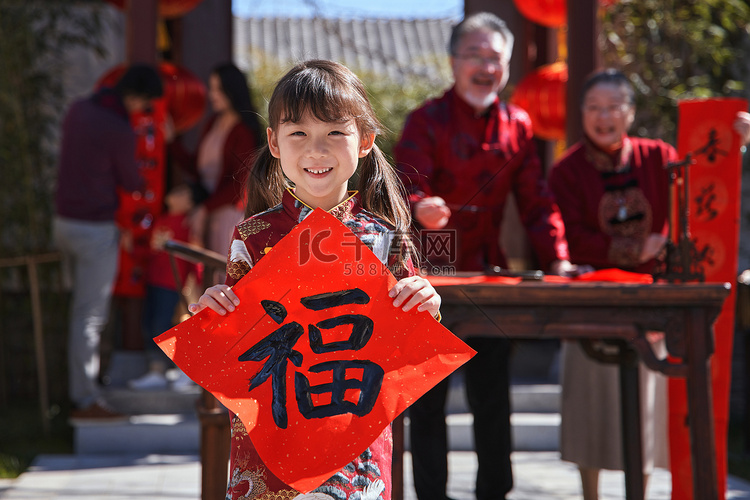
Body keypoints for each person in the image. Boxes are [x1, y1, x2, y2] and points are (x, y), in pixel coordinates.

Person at [188, 59, 442, 500]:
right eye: (299, 133)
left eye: (334, 133)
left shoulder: (385, 237)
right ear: (273, 142)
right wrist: (215, 311)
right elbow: (237, 347)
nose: (316, 151)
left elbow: (411, 349)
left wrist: (427, 303)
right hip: (274, 433)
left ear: (364, 141)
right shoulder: (253, 237)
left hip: (354, 438)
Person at [393, 11, 574, 500]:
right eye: (474, 55)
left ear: (508, 65)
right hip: (435, 263)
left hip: (491, 270)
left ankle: (495, 492)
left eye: (495, 58)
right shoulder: (425, 119)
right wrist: (418, 207)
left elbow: (536, 199)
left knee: (492, 392)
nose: (485, 67)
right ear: (453, 61)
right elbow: (404, 185)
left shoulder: (518, 124)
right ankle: (431, 494)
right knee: (428, 396)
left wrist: (556, 257)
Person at [549, 70, 750, 500]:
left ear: (631, 112)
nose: (604, 118)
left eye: (613, 107)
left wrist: (737, 143)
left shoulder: (660, 156)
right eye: (593, 108)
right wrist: (636, 247)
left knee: (642, 408)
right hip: (591, 304)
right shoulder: (566, 170)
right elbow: (571, 236)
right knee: (590, 405)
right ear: (581, 114)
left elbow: (703, 185)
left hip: (650, 304)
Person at [53, 63, 164, 420]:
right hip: (95, 230)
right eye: (145, 104)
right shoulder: (119, 128)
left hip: (62, 222)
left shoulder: (78, 109)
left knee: (74, 313)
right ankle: (85, 400)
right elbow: (132, 180)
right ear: (135, 97)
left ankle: (72, 393)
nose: (142, 112)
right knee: (89, 317)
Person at [169, 62, 262, 257]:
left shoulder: (243, 131)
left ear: (232, 90)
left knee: (222, 276)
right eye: (211, 88)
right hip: (204, 210)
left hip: (227, 215)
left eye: (218, 89)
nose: (213, 95)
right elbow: (197, 168)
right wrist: (171, 143)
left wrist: (205, 208)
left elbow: (241, 184)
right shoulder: (212, 123)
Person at [128, 183, 207, 391]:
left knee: (170, 326)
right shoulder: (161, 220)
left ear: (190, 204)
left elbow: (193, 256)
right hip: (154, 280)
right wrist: (133, 249)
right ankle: (157, 371)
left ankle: (185, 371)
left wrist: (196, 283)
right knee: (152, 325)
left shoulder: (187, 224)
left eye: (182, 192)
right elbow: (152, 252)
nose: (175, 192)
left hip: (173, 282)